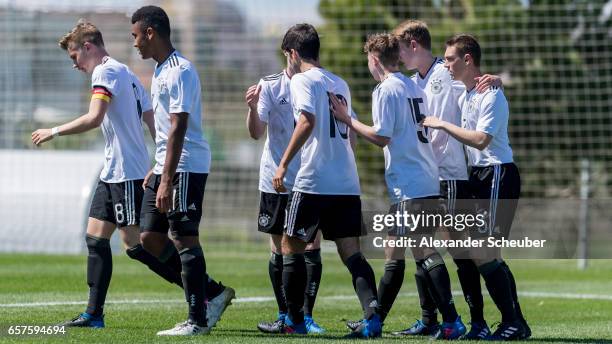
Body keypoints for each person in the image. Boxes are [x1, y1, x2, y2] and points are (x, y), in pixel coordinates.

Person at [31, 20, 177, 328]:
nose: (75, 65)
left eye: (74, 58)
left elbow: (95, 117)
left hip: (127, 173)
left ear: (87, 48)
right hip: (113, 172)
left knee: (136, 246)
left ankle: (203, 289)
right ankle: (93, 315)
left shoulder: (105, 71)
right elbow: (150, 118)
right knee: (96, 239)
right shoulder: (126, 72)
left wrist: (53, 131)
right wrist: (160, 157)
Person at [331, 32, 465, 340]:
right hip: (422, 179)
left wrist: (348, 119)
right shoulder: (409, 84)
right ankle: (374, 320)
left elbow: (381, 136)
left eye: (368, 59)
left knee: (423, 252)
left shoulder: (387, 88)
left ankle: (452, 320)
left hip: (411, 184)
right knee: (394, 252)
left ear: (374, 60)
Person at [391, 20, 502, 340]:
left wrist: (497, 79)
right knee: (420, 245)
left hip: (451, 176)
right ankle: (430, 319)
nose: (396, 57)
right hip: (423, 178)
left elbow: (480, 83)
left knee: (459, 250)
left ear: (413, 45)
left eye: (399, 49)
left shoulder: (447, 71)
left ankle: (478, 321)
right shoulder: (412, 82)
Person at [271, 23, 382, 338]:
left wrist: (283, 164)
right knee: (352, 253)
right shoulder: (339, 82)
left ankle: (294, 321)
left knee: (289, 246)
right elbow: (350, 134)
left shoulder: (302, 80)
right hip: (346, 181)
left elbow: (307, 120)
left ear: (293, 53)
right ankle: (372, 318)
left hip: (314, 180)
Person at [130, 6, 234, 335]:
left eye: (135, 36)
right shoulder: (160, 70)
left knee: (184, 238)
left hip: (185, 165)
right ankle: (212, 293)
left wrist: (167, 179)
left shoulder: (180, 69)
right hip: (166, 164)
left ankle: (197, 319)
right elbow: (163, 131)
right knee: (148, 238)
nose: (134, 44)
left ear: (151, 33)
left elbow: (178, 127)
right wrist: (157, 168)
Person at [423, 34, 530, 341]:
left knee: (483, 251)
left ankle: (512, 322)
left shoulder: (490, 94)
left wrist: (442, 124)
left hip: (497, 174)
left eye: (451, 58)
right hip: (478, 177)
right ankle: (515, 323)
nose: (446, 64)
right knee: (484, 253)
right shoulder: (468, 91)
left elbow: (481, 140)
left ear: (467, 59)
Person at [244, 67, 324, 334]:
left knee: (310, 244)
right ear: (289, 53)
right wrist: (253, 108)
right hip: (274, 180)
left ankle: (306, 317)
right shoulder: (269, 84)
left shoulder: (317, 82)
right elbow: (256, 132)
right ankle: (285, 314)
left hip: (308, 177)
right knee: (278, 245)